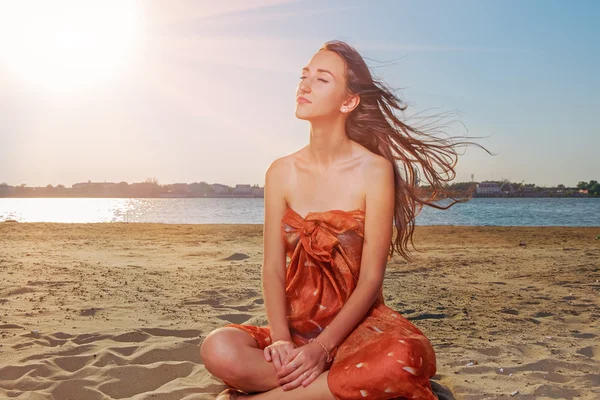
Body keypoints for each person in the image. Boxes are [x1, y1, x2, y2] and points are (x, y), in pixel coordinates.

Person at [200, 39, 491, 400]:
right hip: (295, 330)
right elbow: (272, 268)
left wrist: (322, 350)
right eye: (304, 76)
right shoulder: (280, 172)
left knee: (405, 357)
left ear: (348, 101)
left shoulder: (375, 170)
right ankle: (334, 389)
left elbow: (371, 279)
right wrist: (281, 340)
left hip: (357, 330)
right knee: (218, 347)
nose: (304, 85)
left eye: (321, 79)